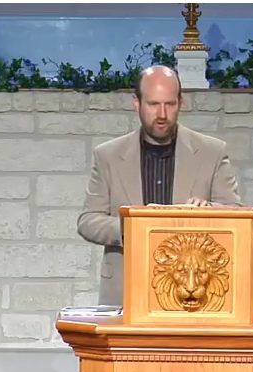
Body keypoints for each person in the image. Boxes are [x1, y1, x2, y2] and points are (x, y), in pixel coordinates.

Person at [77, 65, 242, 306]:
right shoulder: (108, 156)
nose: (162, 114)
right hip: (126, 291)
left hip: (193, 294)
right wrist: (135, 227)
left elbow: (237, 215)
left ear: (180, 102)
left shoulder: (212, 152)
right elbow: (88, 220)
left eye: (170, 104)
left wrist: (208, 211)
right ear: (137, 103)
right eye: (153, 104)